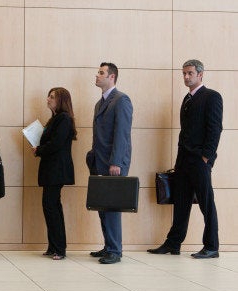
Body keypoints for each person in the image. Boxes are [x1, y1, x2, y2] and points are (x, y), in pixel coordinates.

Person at [147, 59, 223, 259]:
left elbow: (215, 129)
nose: (186, 77)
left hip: (199, 160)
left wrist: (207, 157)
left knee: (207, 204)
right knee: (181, 204)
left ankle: (212, 246)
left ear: (200, 74)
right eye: (184, 73)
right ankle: (173, 244)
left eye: (190, 73)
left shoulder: (212, 97)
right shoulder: (187, 99)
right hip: (183, 162)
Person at [86, 62, 133, 264]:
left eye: (101, 73)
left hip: (113, 163)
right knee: (102, 206)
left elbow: (122, 134)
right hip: (99, 162)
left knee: (112, 208)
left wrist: (116, 162)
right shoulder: (100, 103)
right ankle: (108, 246)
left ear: (112, 77)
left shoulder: (121, 100)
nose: (97, 75)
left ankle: (115, 250)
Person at [31, 87, 76, 261]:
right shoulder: (55, 119)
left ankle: (59, 248)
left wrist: (39, 149)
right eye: (48, 96)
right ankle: (54, 246)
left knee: (51, 207)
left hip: (57, 170)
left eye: (51, 97)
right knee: (52, 207)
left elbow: (56, 144)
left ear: (61, 100)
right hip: (52, 170)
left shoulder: (63, 119)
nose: (48, 99)